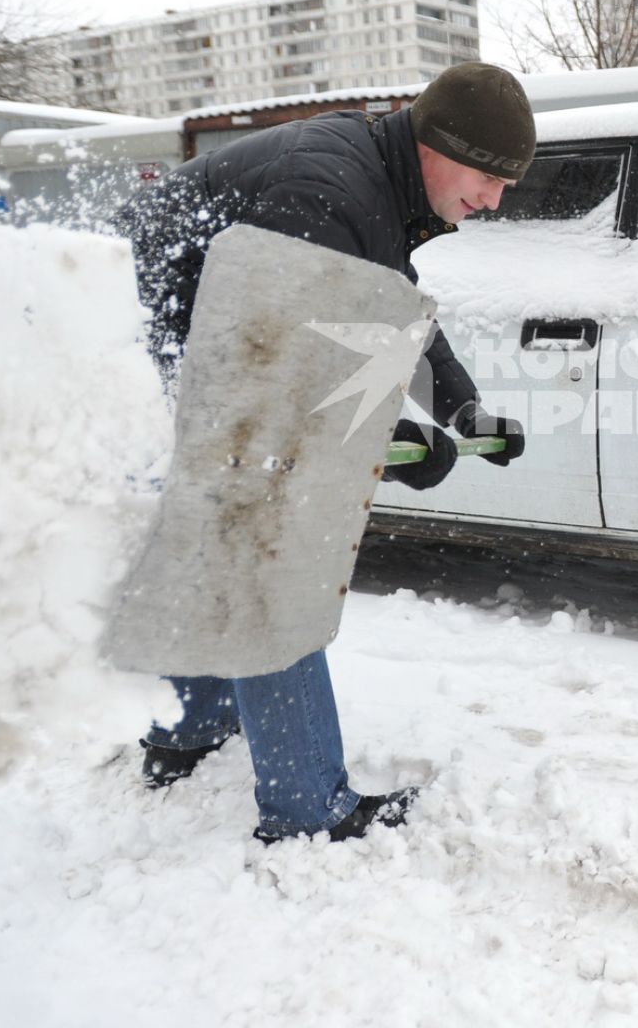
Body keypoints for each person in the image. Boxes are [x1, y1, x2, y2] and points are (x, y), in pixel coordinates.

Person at [115, 61, 534, 844]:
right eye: (486, 176)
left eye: (507, 184)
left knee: (216, 538)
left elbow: (383, 316)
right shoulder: (330, 190)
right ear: (436, 145)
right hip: (147, 344)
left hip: (178, 342)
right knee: (263, 549)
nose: (492, 199)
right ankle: (306, 807)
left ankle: (186, 730)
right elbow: (280, 364)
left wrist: (462, 409)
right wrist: (391, 439)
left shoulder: (374, 183)